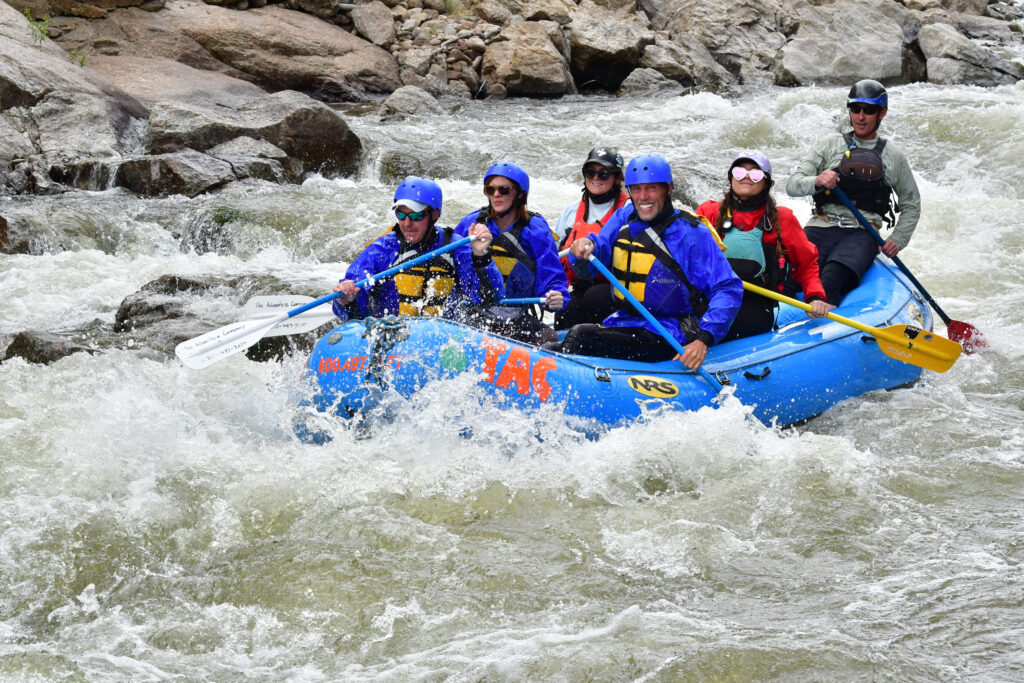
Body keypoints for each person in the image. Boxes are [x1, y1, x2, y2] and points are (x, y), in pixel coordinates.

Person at [558, 154, 743, 370]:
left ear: (669, 189)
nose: (643, 197)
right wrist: (583, 248)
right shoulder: (625, 217)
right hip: (626, 321)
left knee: (580, 336)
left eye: (652, 188)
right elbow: (592, 260)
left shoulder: (691, 233)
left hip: (671, 330)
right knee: (561, 338)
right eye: (636, 189)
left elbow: (727, 287)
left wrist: (704, 339)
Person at [786, 79, 922, 306]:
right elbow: (792, 185)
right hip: (821, 225)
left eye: (869, 110)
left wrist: (897, 239)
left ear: (882, 113)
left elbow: (911, 204)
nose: (861, 116)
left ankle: (824, 321)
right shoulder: (829, 145)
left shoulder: (893, 156)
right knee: (786, 277)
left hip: (863, 233)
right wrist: (817, 181)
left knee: (831, 280)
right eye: (856, 109)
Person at [697, 151, 832, 340]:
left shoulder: (782, 219)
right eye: (739, 172)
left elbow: (807, 263)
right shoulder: (709, 212)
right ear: (731, 178)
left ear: (766, 182)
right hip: (712, 302)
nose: (746, 177)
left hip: (756, 307)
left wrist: (815, 296)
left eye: (755, 173)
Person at [332, 176, 503, 320]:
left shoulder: (455, 247)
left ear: (434, 215)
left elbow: (490, 299)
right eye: (401, 214)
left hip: (443, 340)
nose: (407, 223)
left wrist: (480, 256)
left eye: (416, 215)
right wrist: (347, 300)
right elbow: (354, 314)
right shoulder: (382, 249)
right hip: (391, 337)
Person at [453, 161, 569, 345]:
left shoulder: (536, 231)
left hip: (515, 316)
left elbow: (552, 278)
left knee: (548, 338)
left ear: (520, 194)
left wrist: (556, 296)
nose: (496, 195)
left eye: (504, 190)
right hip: (475, 311)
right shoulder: (470, 225)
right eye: (490, 190)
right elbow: (456, 276)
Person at [553, 146, 631, 330]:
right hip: (580, 286)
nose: (595, 178)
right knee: (566, 306)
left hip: (615, 290)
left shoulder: (629, 209)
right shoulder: (571, 210)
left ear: (617, 178)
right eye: (590, 172)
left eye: (603, 174)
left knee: (596, 297)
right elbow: (555, 254)